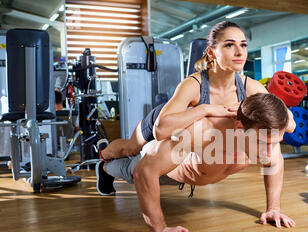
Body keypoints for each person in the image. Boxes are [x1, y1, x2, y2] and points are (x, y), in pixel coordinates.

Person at [96, 93, 296, 232]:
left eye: (275, 143)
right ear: (239, 127)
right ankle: (104, 163)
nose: (269, 151)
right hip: (165, 170)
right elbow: (144, 173)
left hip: (193, 174)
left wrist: (273, 209)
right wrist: (160, 230)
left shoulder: (267, 131)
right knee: (129, 164)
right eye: (262, 142)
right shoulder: (203, 131)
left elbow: (274, 160)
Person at [98, 21, 295, 163]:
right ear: (211, 53)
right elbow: (161, 129)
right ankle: (103, 155)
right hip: (164, 118)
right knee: (130, 149)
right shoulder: (193, 84)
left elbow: (291, 125)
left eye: (243, 45)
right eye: (229, 45)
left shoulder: (251, 87)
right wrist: (206, 109)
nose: (239, 52)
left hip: (189, 134)